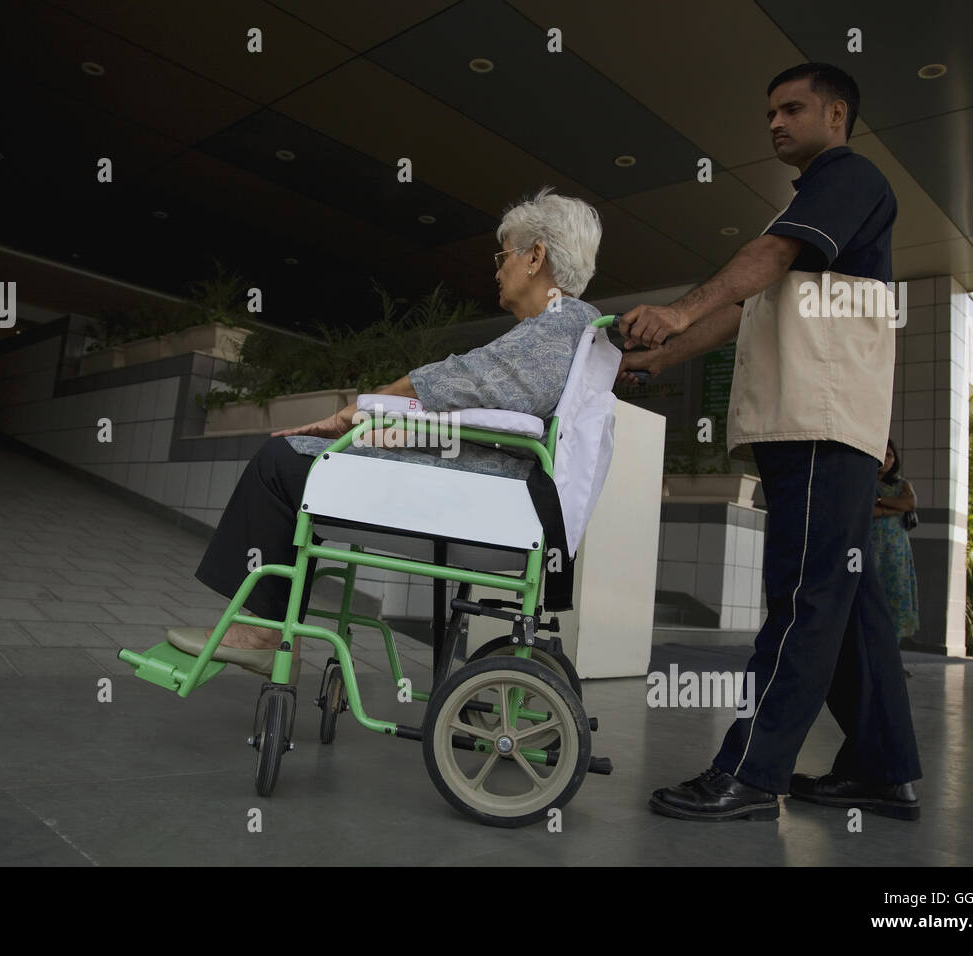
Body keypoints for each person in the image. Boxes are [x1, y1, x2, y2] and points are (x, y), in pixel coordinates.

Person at [622, 63, 922, 822]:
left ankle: (752, 775)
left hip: (819, 423)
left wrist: (680, 311)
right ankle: (883, 770)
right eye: (769, 114)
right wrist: (664, 355)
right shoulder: (813, 204)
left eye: (791, 108)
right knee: (848, 602)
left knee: (803, 599)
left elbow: (768, 264)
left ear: (837, 112)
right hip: (816, 425)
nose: (775, 124)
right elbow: (755, 301)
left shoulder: (848, 178)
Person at [173, 186, 604, 680]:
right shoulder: (572, 326)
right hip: (493, 478)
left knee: (281, 463)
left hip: (488, 489)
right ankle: (265, 627)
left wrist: (364, 409)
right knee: (305, 457)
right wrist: (388, 422)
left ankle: (263, 633)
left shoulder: (559, 321)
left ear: (535, 257)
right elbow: (486, 391)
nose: (497, 269)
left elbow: (471, 382)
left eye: (503, 255)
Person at [872, 439, 920, 673]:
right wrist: (893, 508)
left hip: (897, 553)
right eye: (883, 455)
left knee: (896, 602)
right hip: (871, 551)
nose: (887, 460)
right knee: (872, 602)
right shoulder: (865, 481)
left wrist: (881, 504)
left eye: (891, 456)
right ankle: (871, 659)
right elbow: (865, 509)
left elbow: (910, 503)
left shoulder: (902, 485)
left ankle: (892, 662)